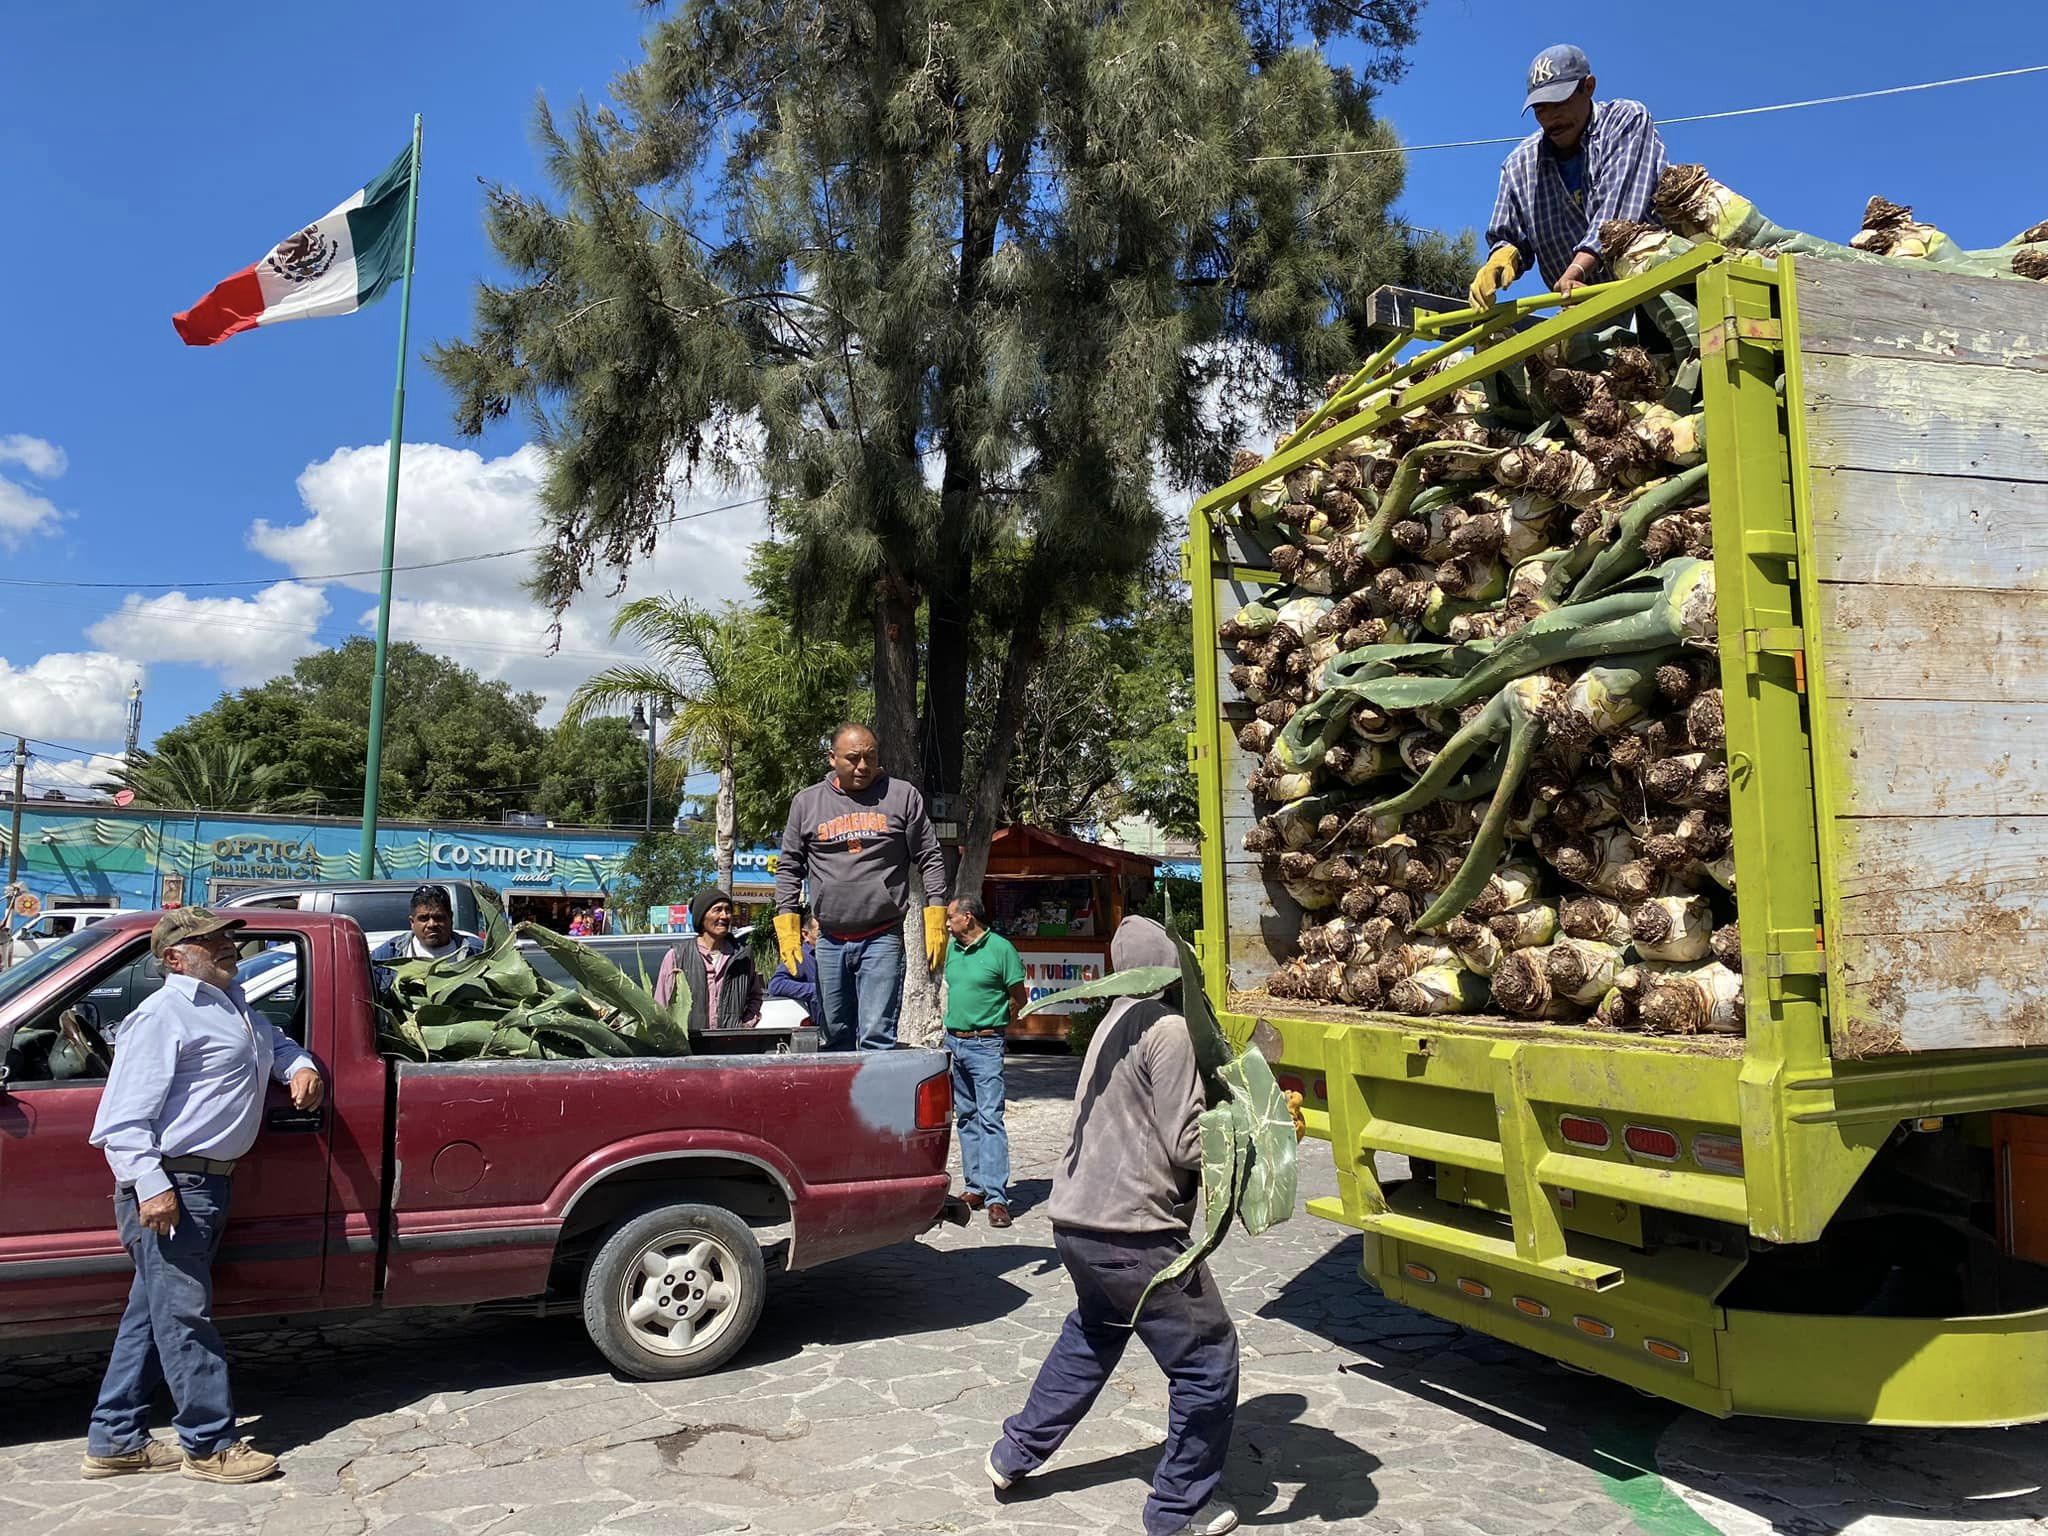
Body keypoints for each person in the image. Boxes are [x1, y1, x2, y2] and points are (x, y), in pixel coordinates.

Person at [985, 916, 1239, 1536]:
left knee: (1094, 1334)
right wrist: (1246, 1134)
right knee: (1208, 1363)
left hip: (1076, 1224)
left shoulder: (1109, 1022)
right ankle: (1175, 1512)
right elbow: (1185, 1146)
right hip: (1135, 1235)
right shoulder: (1169, 1027)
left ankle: (1012, 1455)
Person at [82, 908, 326, 1485]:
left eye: (226, 939)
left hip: (208, 1185)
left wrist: (300, 1066)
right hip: (174, 1187)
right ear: (174, 958)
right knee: (186, 1318)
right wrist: (151, 1188)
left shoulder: (235, 1005)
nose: (227, 949)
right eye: (210, 942)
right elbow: (121, 1122)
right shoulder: (162, 1016)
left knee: (152, 1316)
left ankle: (115, 1438)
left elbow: (275, 1043)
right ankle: (208, 1445)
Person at [773, 723, 949, 1051]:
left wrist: (936, 912)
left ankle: (874, 1102)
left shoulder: (902, 796)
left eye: (870, 757)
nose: (863, 766)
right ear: (832, 758)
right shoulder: (807, 803)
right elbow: (789, 866)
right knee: (834, 1034)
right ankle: (841, 1103)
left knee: (876, 1036)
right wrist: (786, 920)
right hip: (829, 938)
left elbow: (930, 857)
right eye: (853, 758)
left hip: (882, 936)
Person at [1470, 45, 1668, 309]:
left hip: (1656, 293)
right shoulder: (1520, 166)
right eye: (1540, 109)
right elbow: (1511, 238)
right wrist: (1502, 257)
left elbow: (1617, 216)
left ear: (1588, 87)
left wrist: (1577, 268)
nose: (1551, 118)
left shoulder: (1625, 122)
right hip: (1584, 313)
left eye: (1559, 103)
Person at [941, 895, 1026, 1228]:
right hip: (955, 1043)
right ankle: (974, 1187)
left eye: (951, 918)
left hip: (985, 1044)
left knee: (990, 1118)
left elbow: (1019, 995)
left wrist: (1002, 1021)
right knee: (966, 1117)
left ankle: (996, 1198)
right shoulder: (952, 948)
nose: (947, 924)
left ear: (968, 917)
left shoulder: (1001, 949)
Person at [655, 888, 763, 1029]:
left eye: (728, 910)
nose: (724, 916)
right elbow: (661, 1003)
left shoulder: (742, 957)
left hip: (731, 1044)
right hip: (691, 1045)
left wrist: (745, 1024)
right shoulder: (678, 955)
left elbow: (755, 997)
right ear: (702, 916)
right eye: (717, 910)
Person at [368, 886, 484, 969]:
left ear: (450, 918)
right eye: (424, 918)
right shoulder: (388, 955)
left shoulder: (477, 952)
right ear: (412, 922)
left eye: (439, 917)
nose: (432, 924)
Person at [765, 912, 822, 1021]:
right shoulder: (800, 957)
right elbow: (776, 985)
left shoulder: (830, 956)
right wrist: (816, 990)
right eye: (820, 932)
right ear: (805, 934)